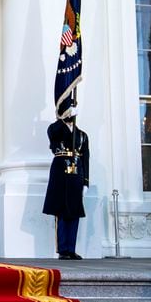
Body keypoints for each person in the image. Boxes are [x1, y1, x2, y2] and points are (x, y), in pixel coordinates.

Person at [42, 108, 89, 260]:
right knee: (61, 211)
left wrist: (86, 182)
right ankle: (62, 249)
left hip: (76, 173)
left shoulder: (82, 135)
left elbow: (86, 159)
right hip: (61, 171)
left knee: (74, 212)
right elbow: (53, 135)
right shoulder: (55, 128)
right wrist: (62, 117)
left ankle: (71, 248)